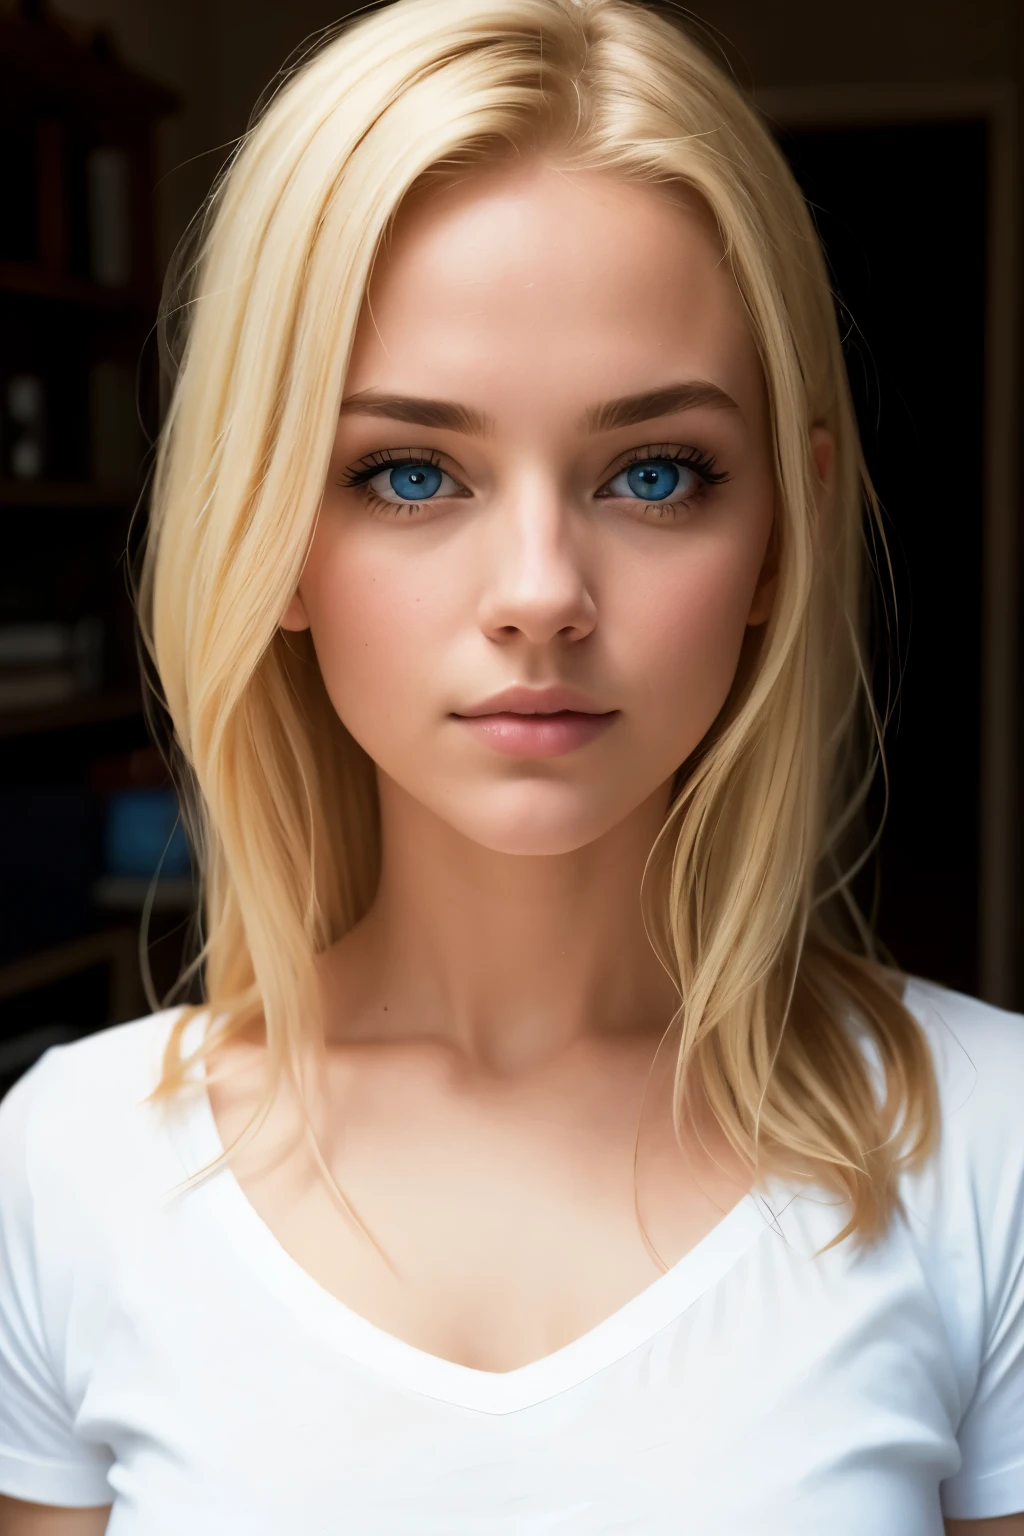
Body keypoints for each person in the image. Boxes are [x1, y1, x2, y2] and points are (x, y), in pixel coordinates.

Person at [1, 0, 1022, 1531]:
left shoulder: (991, 1149)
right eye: (409, 473)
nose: (541, 589)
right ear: (267, 522)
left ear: (782, 536)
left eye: (655, 473)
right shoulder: (67, 1173)